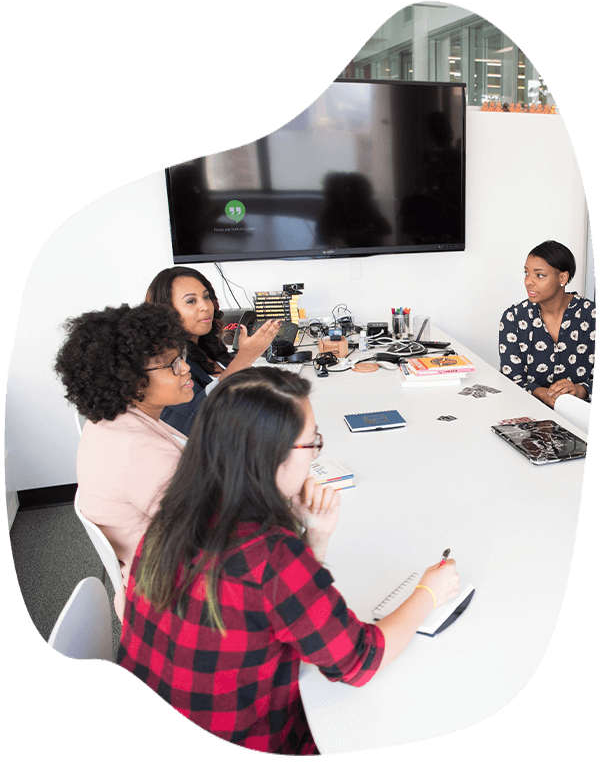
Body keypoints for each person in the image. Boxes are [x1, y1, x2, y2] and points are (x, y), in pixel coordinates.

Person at [117, 367, 460, 754]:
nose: (314, 454)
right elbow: (361, 660)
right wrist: (428, 593)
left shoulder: (171, 518)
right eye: (311, 443)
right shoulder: (270, 556)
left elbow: (276, 611)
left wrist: (315, 537)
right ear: (272, 455)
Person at [54, 303, 194, 617]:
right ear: (130, 380)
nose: (185, 368)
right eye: (171, 364)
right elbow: (213, 533)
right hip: (174, 600)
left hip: (153, 575)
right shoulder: (140, 452)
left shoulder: (110, 422)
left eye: (181, 357)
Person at [146, 266, 281, 435]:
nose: (205, 306)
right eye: (191, 301)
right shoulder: (162, 363)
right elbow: (197, 419)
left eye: (206, 297)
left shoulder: (208, 347)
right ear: (166, 311)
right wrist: (244, 359)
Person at [499, 240, 595, 408]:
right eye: (526, 273)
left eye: (539, 275)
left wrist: (579, 390)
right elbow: (510, 378)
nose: (528, 281)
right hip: (528, 411)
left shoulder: (591, 315)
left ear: (562, 278)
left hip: (581, 414)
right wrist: (542, 394)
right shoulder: (513, 317)